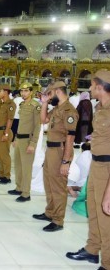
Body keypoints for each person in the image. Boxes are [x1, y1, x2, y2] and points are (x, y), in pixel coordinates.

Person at [66, 69, 110, 270]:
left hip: (108, 168)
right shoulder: (100, 107)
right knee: (93, 209)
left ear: (100, 86)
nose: (89, 89)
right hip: (97, 164)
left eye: (92, 85)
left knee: (105, 216)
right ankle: (92, 250)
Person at [33, 81, 78, 232]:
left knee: (58, 186)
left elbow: (70, 138)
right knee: (49, 183)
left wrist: (66, 161)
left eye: (50, 94)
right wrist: (45, 103)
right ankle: (50, 212)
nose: (49, 96)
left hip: (60, 151)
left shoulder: (69, 111)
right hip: (51, 150)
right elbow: (43, 120)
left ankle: (58, 220)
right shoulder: (57, 108)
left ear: (58, 91)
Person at [9, 82, 41, 202]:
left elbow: (37, 126)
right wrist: (16, 139)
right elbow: (21, 124)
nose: (23, 93)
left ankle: (26, 193)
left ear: (31, 92)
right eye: (22, 91)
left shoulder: (35, 106)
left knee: (26, 168)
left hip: (28, 140)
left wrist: (33, 144)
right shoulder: (22, 104)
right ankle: (19, 187)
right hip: (20, 139)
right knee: (18, 166)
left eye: (26, 91)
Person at [0, 84, 16, 185]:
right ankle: (1, 173)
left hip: (4, 131)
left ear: (6, 92)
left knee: (4, 154)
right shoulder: (2, 103)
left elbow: (10, 120)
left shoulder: (10, 104)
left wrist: (6, 134)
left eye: (0, 91)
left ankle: (7, 176)